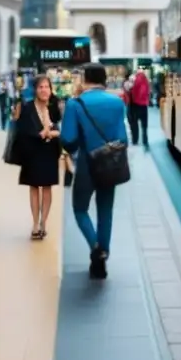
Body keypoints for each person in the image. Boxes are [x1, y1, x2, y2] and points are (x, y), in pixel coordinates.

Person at [61, 63, 128, 280]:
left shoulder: (75, 103)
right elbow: (123, 139)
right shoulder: (117, 102)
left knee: (80, 209)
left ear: (85, 78)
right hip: (109, 164)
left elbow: (68, 140)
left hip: (86, 165)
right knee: (105, 210)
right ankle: (103, 255)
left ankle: (96, 249)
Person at [16, 76, 62, 239]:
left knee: (47, 187)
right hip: (32, 151)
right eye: (41, 87)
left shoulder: (54, 106)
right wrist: (42, 134)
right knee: (34, 187)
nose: (44, 90)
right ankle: (35, 223)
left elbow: (59, 129)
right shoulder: (28, 108)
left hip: (49, 151)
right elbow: (22, 131)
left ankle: (44, 222)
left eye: (47, 87)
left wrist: (51, 132)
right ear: (35, 90)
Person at [129, 67, 150, 148]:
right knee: (144, 125)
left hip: (135, 105)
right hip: (144, 105)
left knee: (135, 124)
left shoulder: (135, 80)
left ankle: (135, 140)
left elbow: (132, 90)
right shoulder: (146, 81)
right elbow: (147, 92)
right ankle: (145, 140)